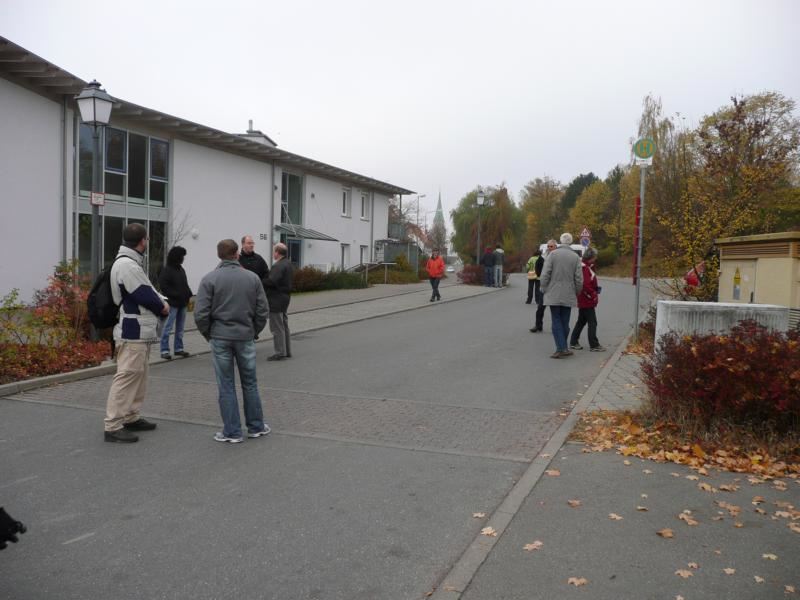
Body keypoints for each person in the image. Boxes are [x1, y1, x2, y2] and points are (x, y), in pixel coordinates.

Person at [194, 239, 269, 443]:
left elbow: (200, 314)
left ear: (219, 255)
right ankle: (256, 426)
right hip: (245, 335)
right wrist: (254, 331)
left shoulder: (209, 279)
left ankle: (232, 431)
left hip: (220, 336)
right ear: (237, 254)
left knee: (226, 385)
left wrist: (209, 334)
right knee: (250, 383)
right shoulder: (252, 278)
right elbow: (263, 310)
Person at [104, 223, 170, 443]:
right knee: (127, 376)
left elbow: (146, 290)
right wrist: (163, 306)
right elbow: (144, 294)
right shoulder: (128, 265)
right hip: (133, 331)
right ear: (143, 241)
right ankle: (113, 425)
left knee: (138, 376)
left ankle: (131, 416)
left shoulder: (130, 263)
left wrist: (159, 301)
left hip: (137, 331)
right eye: (147, 239)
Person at [540, 233, 582, 359]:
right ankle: (563, 347)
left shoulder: (553, 255)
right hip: (569, 292)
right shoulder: (575, 257)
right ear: (571, 242)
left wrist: (544, 287)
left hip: (553, 291)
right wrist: (577, 291)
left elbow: (545, 273)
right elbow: (579, 278)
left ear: (560, 241)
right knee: (565, 321)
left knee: (556, 320)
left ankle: (561, 348)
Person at [158, 246, 193, 360]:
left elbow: (185, 284)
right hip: (172, 304)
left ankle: (178, 349)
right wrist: (175, 294)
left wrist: (189, 294)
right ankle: (164, 350)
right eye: (182, 256)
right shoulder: (167, 270)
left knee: (180, 328)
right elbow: (164, 286)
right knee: (167, 328)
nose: (183, 258)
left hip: (183, 303)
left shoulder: (181, 269)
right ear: (177, 257)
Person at [569, 247, 606, 352]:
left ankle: (573, 341)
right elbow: (585, 284)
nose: (596, 258)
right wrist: (593, 293)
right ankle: (594, 344)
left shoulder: (586, 266)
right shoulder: (585, 268)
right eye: (595, 257)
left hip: (584, 298)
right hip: (586, 298)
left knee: (581, 321)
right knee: (592, 322)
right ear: (591, 257)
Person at [264, 243, 294, 361]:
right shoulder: (288, 263)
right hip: (285, 298)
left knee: (276, 327)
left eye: (274, 251)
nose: (273, 254)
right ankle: (287, 351)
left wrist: (261, 281)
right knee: (284, 325)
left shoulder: (278, 265)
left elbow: (272, 282)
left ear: (277, 252)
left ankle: (280, 352)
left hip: (276, 299)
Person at [530, 240, 555, 332]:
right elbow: (537, 269)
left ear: (555, 247)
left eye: (551, 246)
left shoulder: (558, 257)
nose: (549, 248)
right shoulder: (542, 257)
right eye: (548, 246)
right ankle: (538, 325)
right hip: (544, 285)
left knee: (554, 308)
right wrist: (542, 276)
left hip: (554, 286)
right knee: (540, 307)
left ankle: (555, 327)